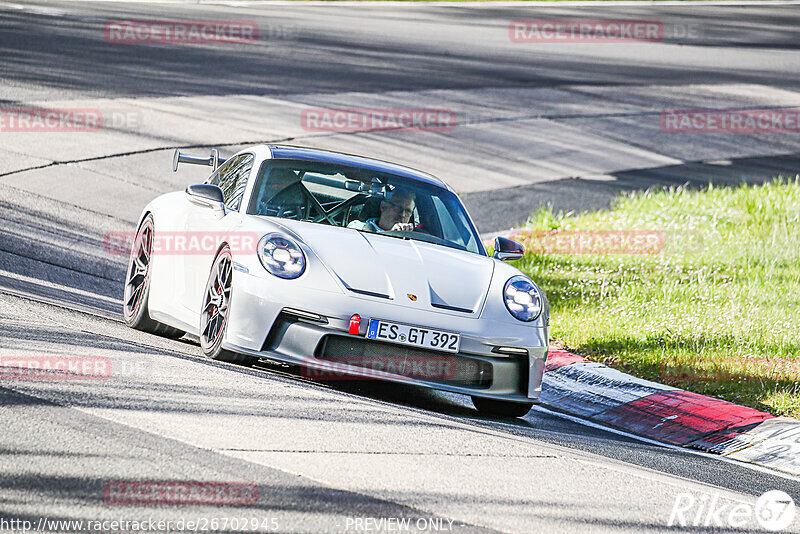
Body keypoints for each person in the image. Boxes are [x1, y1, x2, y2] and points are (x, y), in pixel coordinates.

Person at [348, 189, 416, 233]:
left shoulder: (414, 240)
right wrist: (391, 234)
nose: (403, 214)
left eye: (408, 211)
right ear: (383, 206)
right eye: (398, 208)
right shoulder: (358, 227)